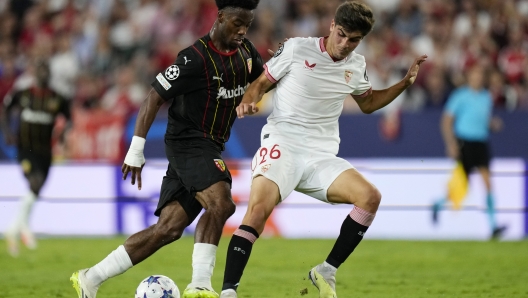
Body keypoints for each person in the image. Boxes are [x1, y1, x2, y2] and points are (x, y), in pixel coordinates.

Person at [219, 2, 427, 298]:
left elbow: (368, 104)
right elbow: (261, 83)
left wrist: (404, 84)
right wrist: (247, 100)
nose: (345, 44)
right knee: (257, 213)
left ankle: (326, 270)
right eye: (341, 34)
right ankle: (228, 292)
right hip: (283, 143)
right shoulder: (296, 49)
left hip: (321, 156)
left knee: (370, 197)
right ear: (332, 25)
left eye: (353, 40)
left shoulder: (356, 66)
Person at [70, 1, 263, 298]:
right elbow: (153, 98)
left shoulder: (247, 52)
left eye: (247, 24)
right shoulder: (194, 58)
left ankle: (91, 277)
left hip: (210, 145)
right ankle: (200, 286)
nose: (242, 30)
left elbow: (266, 79)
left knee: (169, 228)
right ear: (221, 16)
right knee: (221, 202)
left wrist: (282, 66)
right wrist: (136, 150)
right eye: (238, 23)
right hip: (188, 142)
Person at [1, 60, 71, 257]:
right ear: (34, 74)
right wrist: (7, 132)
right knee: (35, 183)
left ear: (49, 74)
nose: (43, 74)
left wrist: (63, 133)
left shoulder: (57, 98)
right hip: (25, 150)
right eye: (40, 70)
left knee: (37, 189)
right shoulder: (23, 93)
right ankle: (16, 230)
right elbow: (5, 110)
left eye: (46, 71)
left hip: (45, 152)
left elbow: (69, 117)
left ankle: (20, 228)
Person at [432, 64, 506, 240]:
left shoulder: (486, 97)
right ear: (469, 77)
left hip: (481, 143)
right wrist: (450, 144)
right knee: (463, 186)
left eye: (480, 75)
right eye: (475, 75)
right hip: (465, 143)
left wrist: (492, 124)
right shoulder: (460, 96)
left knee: (488, 183)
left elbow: (483, 119)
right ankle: (438, 204)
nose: (478, 78)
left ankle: (493, 226)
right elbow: (446, 121)